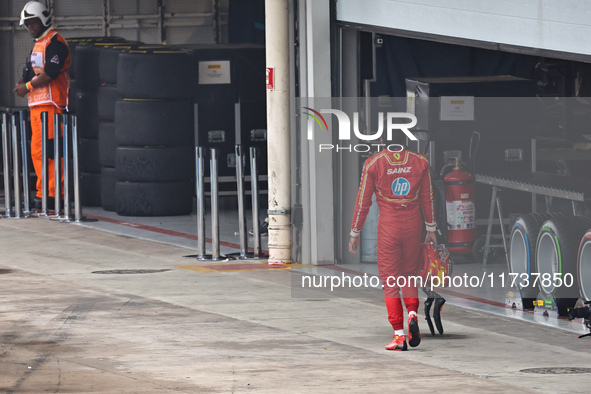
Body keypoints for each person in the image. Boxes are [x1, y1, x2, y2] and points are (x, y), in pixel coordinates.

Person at [349, 143, 437, 351]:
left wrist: (355, 231)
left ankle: (399, 335)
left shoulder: (373, 163)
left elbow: (363, 202)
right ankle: (413, 315)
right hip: (413, 226)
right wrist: (431, 228)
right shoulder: (421, 162)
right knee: (408, 274)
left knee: (390, 282)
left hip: (389, 228)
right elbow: (428, 197)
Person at [13, 1, 70, 209]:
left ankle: (57, 194)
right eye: (27, 24)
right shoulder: (40, 43)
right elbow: (32, 72)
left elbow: (50, 73)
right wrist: (23, 83)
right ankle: (42, 192)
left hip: (53, 107)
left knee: (52, 153)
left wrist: (27, 85)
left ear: (44, 19)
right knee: (38, 153)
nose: (30, 27)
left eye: (33, 22)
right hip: (37, 108)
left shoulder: (56, 42)